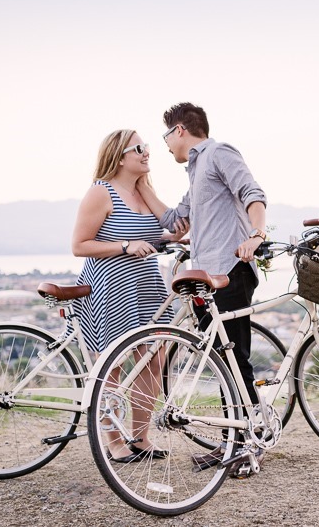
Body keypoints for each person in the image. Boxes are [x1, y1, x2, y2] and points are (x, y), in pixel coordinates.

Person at [137, 102, 267, 471]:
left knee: (234, 357)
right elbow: (177, 223)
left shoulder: (219, 152)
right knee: (222, 361)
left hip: (230, 270)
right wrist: (142, 185)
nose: (163, 145)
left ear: (179, 130)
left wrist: (256, 235)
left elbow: (253, 194)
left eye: (165, 135)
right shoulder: (195, 172)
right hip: (204, 278)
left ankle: (247, 446)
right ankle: (233, 443)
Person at [71, 129, 186, 463]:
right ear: (119, 156)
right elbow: (79, 245)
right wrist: (124, 247)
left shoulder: (143, 190)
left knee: (154, 359)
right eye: (140, 148)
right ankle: (113, 442)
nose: (147, 152)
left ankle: (140, 436)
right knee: (114, 365)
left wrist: (176, 237)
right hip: (111, 286)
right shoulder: (101, 192)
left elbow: (173, 227)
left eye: (147, 146)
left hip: (146, 285)